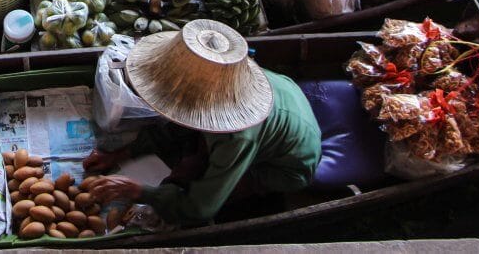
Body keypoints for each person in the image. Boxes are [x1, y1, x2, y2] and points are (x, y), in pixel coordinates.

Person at [86, 20, 322, 225]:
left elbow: (200, 208)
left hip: (289, 165)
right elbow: (172, 128)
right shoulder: (215, 77)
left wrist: (139, 191)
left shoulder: (235, 135)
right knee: (186, 149)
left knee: (200, 186)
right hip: (285, 101)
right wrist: (122, 153)